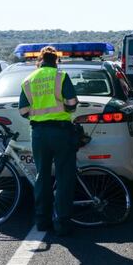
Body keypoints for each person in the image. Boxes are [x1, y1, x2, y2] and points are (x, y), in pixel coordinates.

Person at [18, 46, 78, 236]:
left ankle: (42, 220)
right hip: (61, 132)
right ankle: (62, 222)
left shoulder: (29, 79)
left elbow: (23, 110)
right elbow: (72, 102)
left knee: (42, 176)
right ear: (56, 61)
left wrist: (39, 117)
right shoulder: (61, 76)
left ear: (40, 60)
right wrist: (65, 112)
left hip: (39, 134)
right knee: (64, 176)